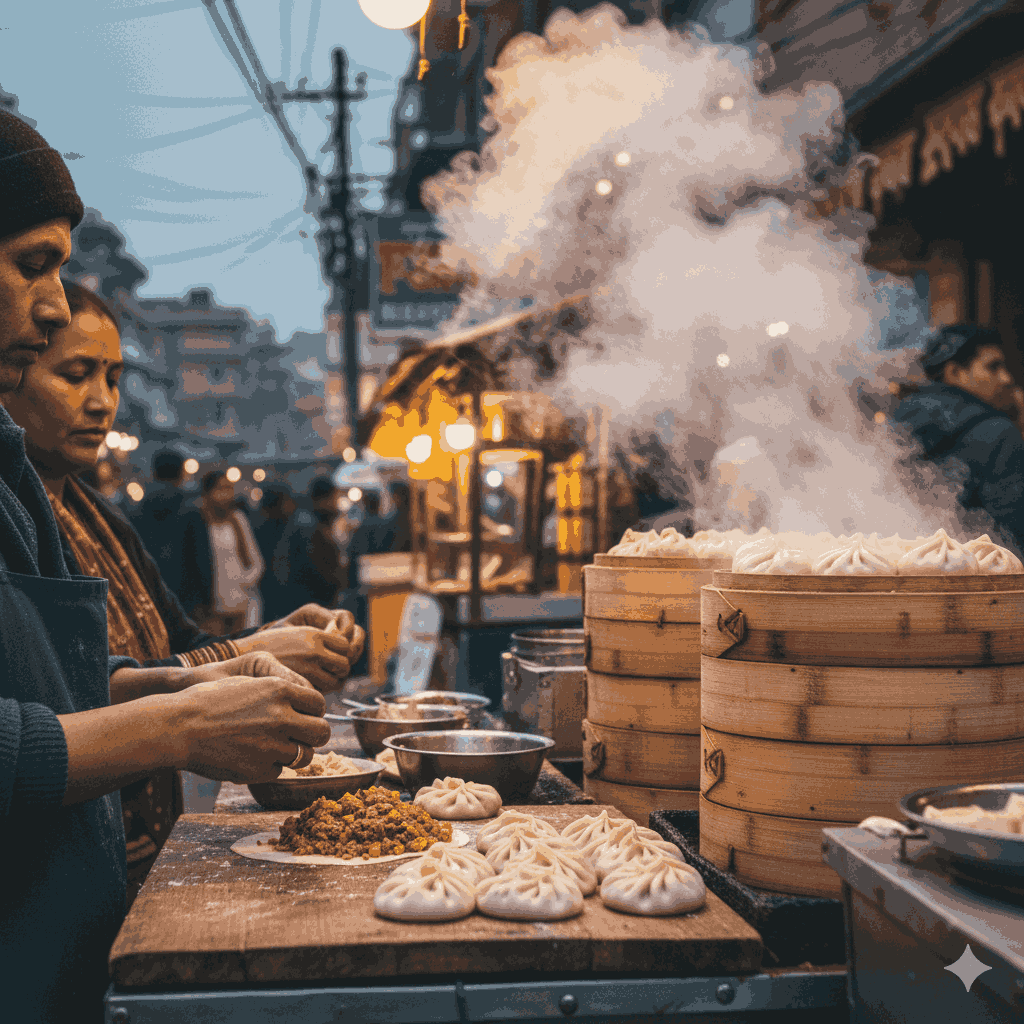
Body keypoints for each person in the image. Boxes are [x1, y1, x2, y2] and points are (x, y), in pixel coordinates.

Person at [0, 108, 333, 1023]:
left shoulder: (29, 490)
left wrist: (233, 663)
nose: (56, 303)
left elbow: (60, 688)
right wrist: (180, 721)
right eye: (33, 263)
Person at [3, 279, 364, 901]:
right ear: (12, 374)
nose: (102, 402)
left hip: (137, 847)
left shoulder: (101, 517)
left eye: (113, 378)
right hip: (46, 873)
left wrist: (267, 641)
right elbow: (57, 703)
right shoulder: (24, 521)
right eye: (75, 374)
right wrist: (192, 710)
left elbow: (174, 647)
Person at [893, 323, 1024, 555]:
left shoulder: (898, 423)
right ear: (954, 372)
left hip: (909, 561)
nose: (1006, 379)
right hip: (980, 573)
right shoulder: (998, 433)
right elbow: (1015, 534)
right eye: (993, 367)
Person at [268, 474, 349, 619]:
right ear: (324, 499)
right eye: (335, 498)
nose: (337, 504)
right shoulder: (309, 527)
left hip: (306, 603)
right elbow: (316, 569)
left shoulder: (307, 522)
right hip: (310, 605)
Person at [131, 447, 189, 596]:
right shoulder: (190, 507)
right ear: (181, 473)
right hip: (184, 589)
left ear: (154, 472)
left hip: (147, 582)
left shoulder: (137, 508)